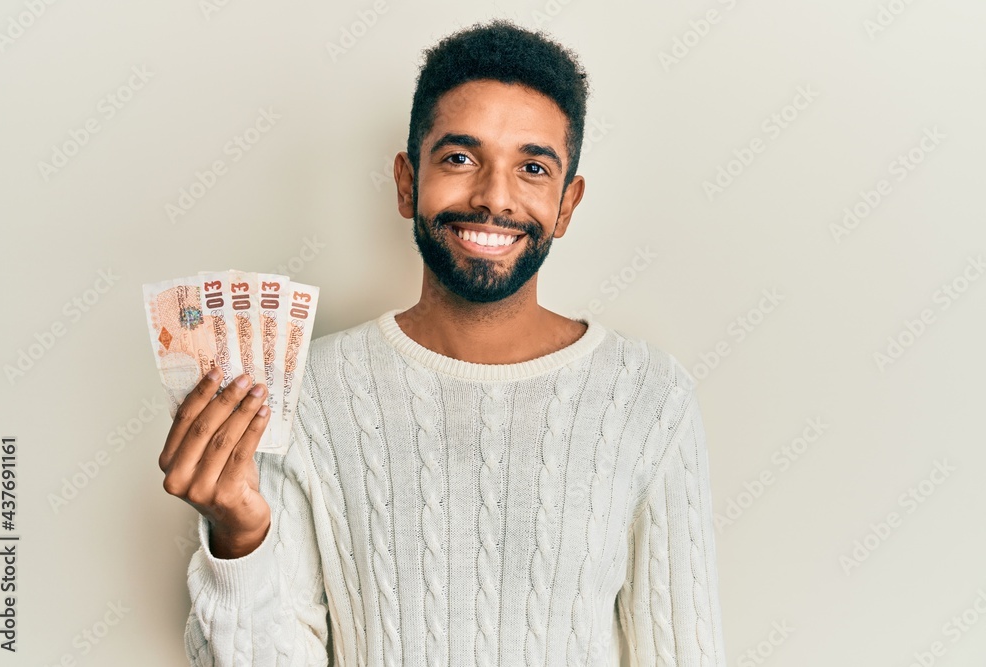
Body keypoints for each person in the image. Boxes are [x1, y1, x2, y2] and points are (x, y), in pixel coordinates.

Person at [159, 18, 727, 666]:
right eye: (460, 158)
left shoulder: (650, 397)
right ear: (407, 182)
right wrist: (239, 537)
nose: (493, 197)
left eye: (533, 167)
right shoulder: (304, 390)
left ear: (567, 204)